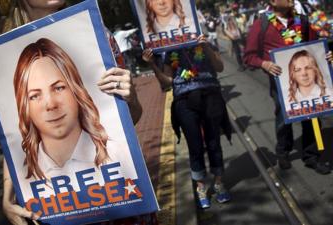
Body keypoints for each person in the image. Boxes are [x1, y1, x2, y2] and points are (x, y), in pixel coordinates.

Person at [0, 1, 154, 224]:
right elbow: (12, 134)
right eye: (35, 95)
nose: (50, 104)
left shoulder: (95, 33)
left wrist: (132, 98)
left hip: (120, 204)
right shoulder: (2, 53)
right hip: (56, 208)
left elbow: (132, 118)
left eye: (60, 87)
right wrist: (7, 197)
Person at [142, 34, 231, 209]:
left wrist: (206, 47)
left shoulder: (204, 41)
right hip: (184, 101)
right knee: (195, 144)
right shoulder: (169, 50)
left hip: (210, 95)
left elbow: (219, 67)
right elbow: (168, 82)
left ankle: (219, 182)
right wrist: (152, 64)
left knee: (214, 142)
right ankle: (201, 187)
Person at [243, 0, 332, 174]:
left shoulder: (302, 20)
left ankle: (312, 156)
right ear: (273, 2)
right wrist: (265, 64)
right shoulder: (261, 24)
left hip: (307, 79)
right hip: (280, 82)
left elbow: (316, 46)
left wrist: (326, 55)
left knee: (312, 116)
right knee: (283, 118)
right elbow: (249, 57)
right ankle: (283, 152)